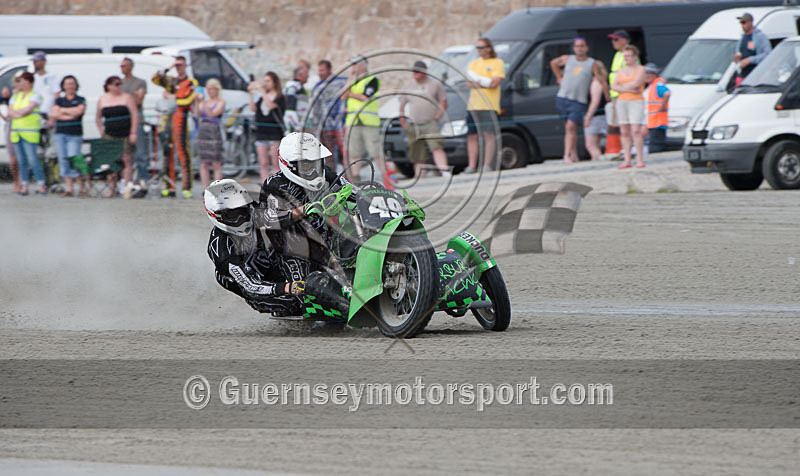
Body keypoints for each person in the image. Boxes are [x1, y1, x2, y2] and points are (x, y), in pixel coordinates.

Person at [550, 37, 607, 164]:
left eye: (582, 46)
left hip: (578, 100)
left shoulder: (592, 63)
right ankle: (573, 154)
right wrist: (559, 76)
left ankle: (567, 155)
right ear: (574, 48)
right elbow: (553, 63)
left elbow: (601, 79)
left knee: (571, 126)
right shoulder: (567, 59)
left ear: (586, 48)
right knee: (569, 128)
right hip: (563, 97)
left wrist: (608, 97)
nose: (580, 48)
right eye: (577, 46)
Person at [152, 55, 198, 198]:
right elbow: (155, 78)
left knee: (183, 153)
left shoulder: (190, 81)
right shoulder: (171, 80)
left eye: (181, 64)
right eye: (176, 65)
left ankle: (186, 186)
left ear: (186, 65)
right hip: (168, 120)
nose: (178, 67)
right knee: (167, 153)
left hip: (181, 121)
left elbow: (187, 100)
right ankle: (169, 185)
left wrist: (172, 97)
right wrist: (168, 68)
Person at [398, 60, 450, 178]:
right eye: (414, 71)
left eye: (418, 71)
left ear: (425, 71)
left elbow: (443, 102)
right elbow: (401, 105)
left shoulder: (435, 84)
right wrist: (403, 122)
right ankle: (420, 176)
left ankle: (444, 171)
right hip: (413, 124)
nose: (415, 73)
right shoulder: (408, 86)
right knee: (417, 152)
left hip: (430, 122)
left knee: (436, 146)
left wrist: (437, 117)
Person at [465, 37, 504, 173]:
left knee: (488, 135)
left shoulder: (497, 63)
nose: (479, 50)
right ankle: (472, 165)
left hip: (489, 105)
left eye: (481, 47)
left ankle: (487, 165)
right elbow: (468, 83)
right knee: (472, 136)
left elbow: (494, 84)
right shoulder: (473, 64)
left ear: (488, 48)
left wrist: (478, 82)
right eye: (477, 48)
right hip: (473, 105)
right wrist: (485, 82)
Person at [341, 55, 382, 181]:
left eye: (356, 64)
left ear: (364, 64)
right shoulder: (352, 82)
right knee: (354, 151)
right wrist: (351, 78)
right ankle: (355, 177)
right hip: (353, 121)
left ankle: (387, 176)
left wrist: (350, 94)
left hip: (369, 122)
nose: (354, 67)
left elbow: (365, 97)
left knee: (375, 151)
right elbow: (343, 95)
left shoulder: (372, 80)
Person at [96, 75, 138, 197]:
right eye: (116, 84)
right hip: (109, 134)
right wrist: (101, 132)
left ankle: (126, 188)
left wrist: (133, 133)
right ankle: (112, 188)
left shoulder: (127, 98)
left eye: (120, 84)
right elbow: (98, 118)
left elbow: (135, 115)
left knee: (126, 160)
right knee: (110, 162)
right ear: (108, 86)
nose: (119, 86)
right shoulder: (102, 99)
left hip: (125, 133)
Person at [48, 75, 88, 197]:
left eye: (72, 83)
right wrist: (70, 112)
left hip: (74, 134)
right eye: (67, 84)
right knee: (63, 159)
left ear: (76, 85)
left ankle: (81, 187)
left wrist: (63, 111)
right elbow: (54, 114)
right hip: (60, 133)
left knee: (74, 159)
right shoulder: (59, 100)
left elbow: (78, 112)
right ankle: (69, 188)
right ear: (63, 86)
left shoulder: (81, 99)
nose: (70, 86)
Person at [7, 71, 45, 195]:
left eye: (21, 80)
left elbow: (28, 110)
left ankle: (41, 184)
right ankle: (24, 185)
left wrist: (16, 113)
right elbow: (9, 112)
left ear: (29, 82)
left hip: (30, 133)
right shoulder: (16, 96)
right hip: (16, 133)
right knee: (21, 161)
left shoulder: (35, 95)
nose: (19, 83)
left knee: (33, 159)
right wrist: (18, 113)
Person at [611, 45, 646, 169]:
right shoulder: (621, 71)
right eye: (624, 56)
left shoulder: (641, 69)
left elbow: (637, 83)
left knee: (636, 130)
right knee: (624, 131)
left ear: (635, 57)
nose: (626, 58)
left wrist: (622, 87)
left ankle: (640, 159)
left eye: (629, 56)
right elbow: (613, 86)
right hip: (622, 101)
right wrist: (628, 88)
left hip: (636, 101)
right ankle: (627, 159)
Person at [249, 71, 286, 182]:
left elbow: (270, 106)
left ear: (274, 82)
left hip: (274, 132)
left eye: (268, 81)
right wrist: (251, 93)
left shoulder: (280, 97)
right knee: (263, 163)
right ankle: (264, 186)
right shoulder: (262, 97)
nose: (266, 83)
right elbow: (253, 108)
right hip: (261, 132)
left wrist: (261, 90)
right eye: (265, 81)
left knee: (275, 162)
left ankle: (276, 186)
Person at [311, 59, 347, 171]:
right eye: (319, 70)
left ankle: (350, 180)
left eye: (322, 70)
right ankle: (333, 180)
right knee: (328, 155)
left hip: (341, 124)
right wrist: (316, 126)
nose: (320, 73)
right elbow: (315, 108)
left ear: (329, 70)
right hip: (325, 127)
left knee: (345, 153)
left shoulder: (342, 82)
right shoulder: (317, 87)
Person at [120, 57, 149, 194]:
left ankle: (143, 180)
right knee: (125, 154)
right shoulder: (119, 83)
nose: (122, 68)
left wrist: (129, 99)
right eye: (121, 66)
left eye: (124, 66)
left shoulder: (140, 82)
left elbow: (138, 101)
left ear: (131, 66)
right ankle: (127, 181)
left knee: (140, 152)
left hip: (137, 120)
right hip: (124, 122)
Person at [195, 78, 226, 190]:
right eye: (208, 89)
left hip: (214, 132)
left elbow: (211, 114)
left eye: (211, 89)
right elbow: (197, 114)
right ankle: (205, 188)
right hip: (203, 131)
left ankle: (217, 188)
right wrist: (197, 102)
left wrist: (203, 102)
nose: (209, 91)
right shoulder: (204, 102)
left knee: (215, 163)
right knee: (203, 162)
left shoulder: (221, 102)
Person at [605, 30, 630, 158]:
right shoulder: (617, 55)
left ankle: (629, 149)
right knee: (620, 123)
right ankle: (623, 149)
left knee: (626, 123)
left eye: (616, 39)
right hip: (616, 94)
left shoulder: (627, 54)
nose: (613, 42)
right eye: (613, 40)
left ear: (624, 40)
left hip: (623, 94)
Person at [733, 12, 772, 86]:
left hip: (756, 77)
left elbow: (768, 54)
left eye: (744, 22)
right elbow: (738, 54)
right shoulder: (742, 37)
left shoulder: (760, 36)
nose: (742, 25)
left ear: (751, 22)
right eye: (741, 23)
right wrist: (737, 59)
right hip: (742, 76)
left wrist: (750, 60)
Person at [1, 72, 22, 193]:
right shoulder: (9, 94)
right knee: (13, 159)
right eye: (17, 80)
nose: (20, 83)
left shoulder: (28, 95)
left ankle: (23, 183)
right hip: (11, 126)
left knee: (23, 157)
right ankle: (16, 182)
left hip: (24, 127)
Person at [644, 63, 670, 154]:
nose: (646, 76)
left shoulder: (657, 84)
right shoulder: (653, 85)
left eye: (648, 74)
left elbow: (667, 93)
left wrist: (662, 106)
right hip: (654, 122)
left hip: (658, 122)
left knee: (656, 147)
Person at [583, 76, 609, 161]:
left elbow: (595, 102)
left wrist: (588, 117)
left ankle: (599, 162)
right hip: (601, 116)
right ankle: (596, 160)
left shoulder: (596, 83)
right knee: (596, 144)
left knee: (590, 145)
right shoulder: (604, 83)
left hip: (595, 117)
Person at [31, 51, 59, 118]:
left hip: (48, 114)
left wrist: (53, 115)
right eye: (34, 61)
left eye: (37, 61)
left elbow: (57, 95)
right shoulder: (32, 78)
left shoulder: (52, 77)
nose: (34, 63)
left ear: (43, 62)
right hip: (34, 114)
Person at [283, 65, 310, 134]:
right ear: (300, 75)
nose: (308, 76)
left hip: (299, 124)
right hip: (294, 126)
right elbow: (290, 108)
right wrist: (297, 127)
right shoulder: (293, 85)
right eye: (306, 73)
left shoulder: (299, 86)